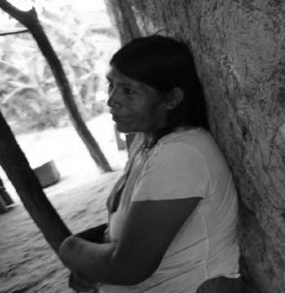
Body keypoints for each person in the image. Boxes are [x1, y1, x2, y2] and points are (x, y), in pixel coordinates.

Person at [59, 35, 240, 292]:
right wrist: (91, 259)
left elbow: (128, 268)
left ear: (172, 98)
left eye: (129, 91)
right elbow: (133, 227)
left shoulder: (181, 155)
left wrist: (71, 248)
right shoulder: (147, 142)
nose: (112, 100)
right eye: (111, 85)